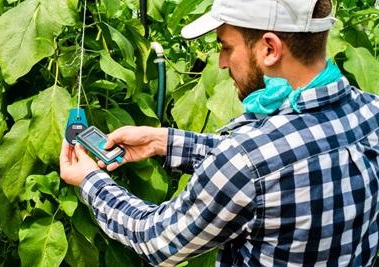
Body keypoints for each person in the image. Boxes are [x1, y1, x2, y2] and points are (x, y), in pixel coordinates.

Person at [59, 0, 379, 266]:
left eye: (226, 47)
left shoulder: (244, 161)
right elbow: (291, 153)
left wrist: (90, 180)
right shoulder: (371, 113)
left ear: (270, 48)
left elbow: (155, 238)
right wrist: (164, 141)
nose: (222, 62)